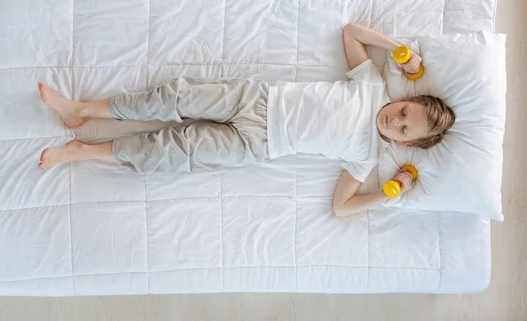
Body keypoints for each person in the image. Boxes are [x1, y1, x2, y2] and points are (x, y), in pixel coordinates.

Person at [37, 24, 455, 216]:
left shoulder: (366, 155)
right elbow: (351, 33)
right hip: (255, 100)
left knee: (172, 151)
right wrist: (401, 51)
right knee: (175, 97)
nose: (393, 120)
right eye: (404, 111)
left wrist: (389, 192)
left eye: (403, 129)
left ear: (404, 144)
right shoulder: (372, 85)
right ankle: (83, 110)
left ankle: (83, 151)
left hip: (257, 146)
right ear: (407, 98)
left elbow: (341, 207)